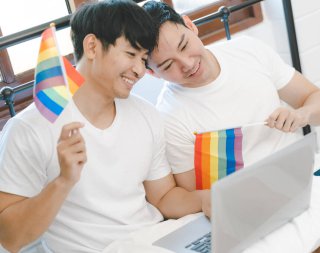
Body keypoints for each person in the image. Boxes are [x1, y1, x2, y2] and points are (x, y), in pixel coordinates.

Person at [142, 1, 320, 252]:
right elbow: (198, 197)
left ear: (191, 26)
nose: (187, 64)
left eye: (184, 45)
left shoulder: (248, 51)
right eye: (168, 65)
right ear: (152, 74)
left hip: (314, 173)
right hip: (261, 205)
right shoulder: (170, 117)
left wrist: (301, 114)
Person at [0, 1, 208, 252]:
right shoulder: (29, 129)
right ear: (92, 46)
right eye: (131, 55)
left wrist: (211, 199)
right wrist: (64, 181)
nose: (139, 70)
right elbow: (11, 238)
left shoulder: (146, 115)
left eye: (143, 59)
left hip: (157, 242)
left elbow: (163, 197)